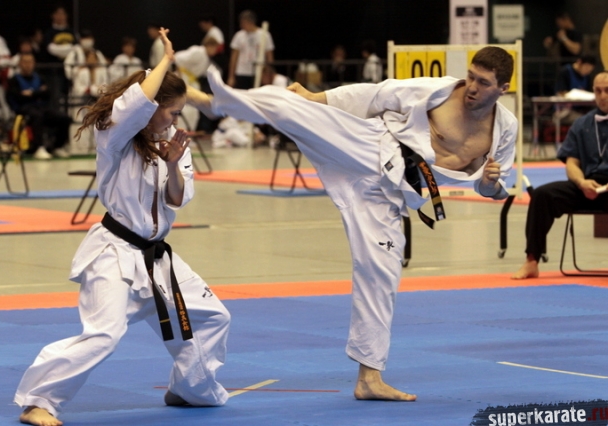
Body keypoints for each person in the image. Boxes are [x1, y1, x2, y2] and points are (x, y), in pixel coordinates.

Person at [187, 46, 517, 401]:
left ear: (503, 88)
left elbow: (493, 188)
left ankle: (369, 378)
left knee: (382, 271)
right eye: (471, 77)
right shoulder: (438, 91)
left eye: (483, 83)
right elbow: (374, 95)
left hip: (389, 194)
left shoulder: (503, 131)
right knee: (292, 106)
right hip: (368, 146)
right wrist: (317, 98)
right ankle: (214, 102)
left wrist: (490, 185)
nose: (472, 87)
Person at [13, 28, 230, 426]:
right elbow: (136, 104)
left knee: (214, 316)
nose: (175, 119)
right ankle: (38, 401)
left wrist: (172, 165)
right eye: (171, 111)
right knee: (104, 334)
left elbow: (177, 198)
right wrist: (166, 61)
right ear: (152, 107)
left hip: (156, 258)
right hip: (114, 254)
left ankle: (188, 389)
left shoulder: (172, 142)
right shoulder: (115, 134)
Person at [512, 71, 608, 280]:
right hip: (586, 185)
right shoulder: (582, 124)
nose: (602, 96)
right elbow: (572, 163)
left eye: (607, 91)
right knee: (542, 195)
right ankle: (532, 261)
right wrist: (581, 182)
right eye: (598, 91)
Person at [6, 53, 72, 159]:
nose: (28, 65)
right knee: (37, 116)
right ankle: (38, 148)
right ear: (20, 64)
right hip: (24, 110)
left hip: (42, 108)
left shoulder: (40, 78)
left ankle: (57, 147)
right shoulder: (14, 80)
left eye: (30, 62)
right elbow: (17, 97)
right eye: (25, 62)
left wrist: (31, 94)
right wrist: (37, 94)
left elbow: (47, 94)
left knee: (64, 118)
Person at [227, 10, 274, 89]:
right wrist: (231, 76)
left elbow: (269, 56)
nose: (241, 25)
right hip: (242, 72)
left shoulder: (264, 35)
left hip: (259, 72)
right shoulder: (239, 35)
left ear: (250, 22)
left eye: (243, 23)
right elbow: (234, 57)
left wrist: (268, 73)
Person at [64, 29, 108, 99]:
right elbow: (68, 72)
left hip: (97, 90)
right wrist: (79, 69)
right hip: (81, 90)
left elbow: (104, 68)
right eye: (85, 38)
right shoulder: (75, 53)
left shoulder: (96, 53)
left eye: (89, 38)